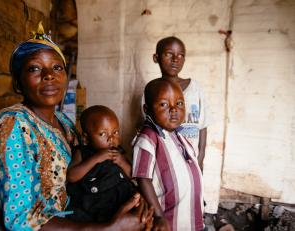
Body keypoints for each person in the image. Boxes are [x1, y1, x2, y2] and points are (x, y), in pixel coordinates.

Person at [0, 23, 153, 231]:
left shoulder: (65, 123)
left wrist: (130, 200)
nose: (49, 75)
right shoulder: (12, 125)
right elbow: (20, 221)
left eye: (57, 67)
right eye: (35, 68)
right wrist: (108, 229)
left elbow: (88, 177)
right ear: (18, 83)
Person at [133, 78, 204, 231]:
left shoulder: (178, 135)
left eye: (179, 103)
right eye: (164, 104)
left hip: (189, 217)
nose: (173, 109)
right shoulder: (148, 138)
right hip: (170, 221)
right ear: (147, 110)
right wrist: (158, 216)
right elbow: (142, 178)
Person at [143, 36, 209, 171]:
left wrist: (200, 159)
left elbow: (203, 126)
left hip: (191, 158)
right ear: (156, 58)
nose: (175, 59)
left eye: (180, 55)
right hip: (165, 161)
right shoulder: (152, 91)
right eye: (169, 54)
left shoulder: (195, 89)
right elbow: (148, 128)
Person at [66, 105, 136, 222]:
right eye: (103, 134)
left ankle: (122, 213)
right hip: (95, 203)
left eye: (115, 132)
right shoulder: (82, 152)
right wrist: (95, 159)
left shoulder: (118, 151)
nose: (111, 139)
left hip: (120, 198)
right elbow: (71, 176)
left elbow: (132, 175)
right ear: (86, 138)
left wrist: (122, 162)